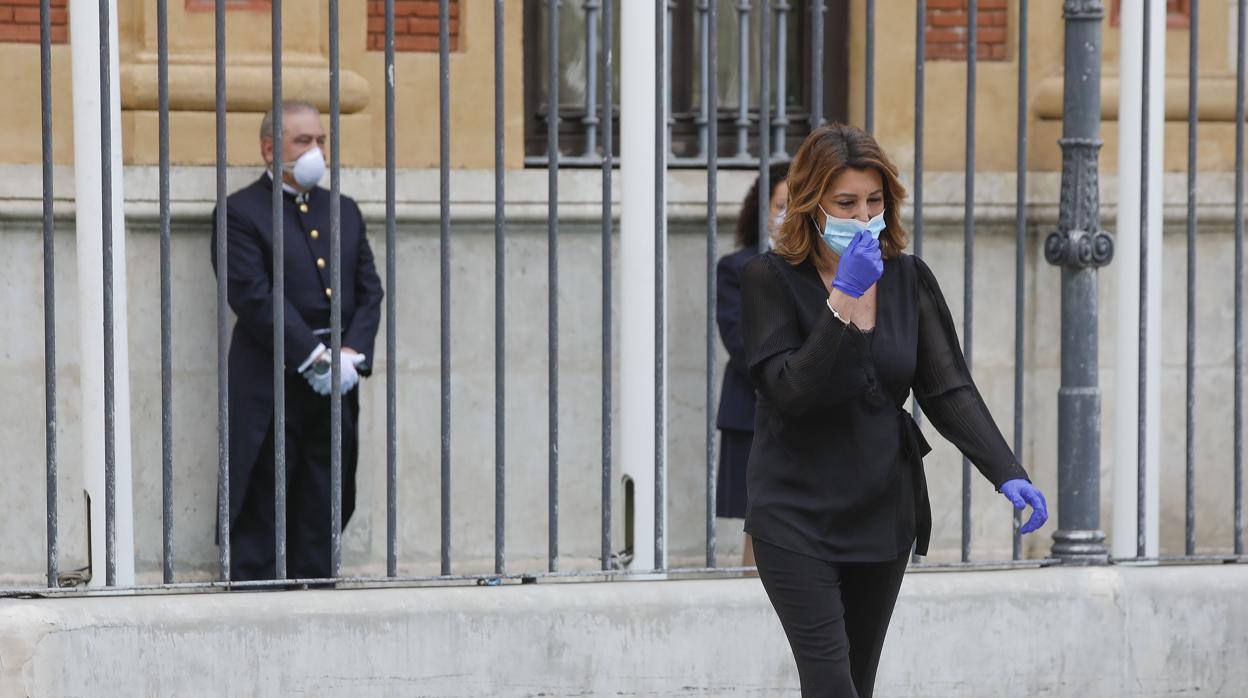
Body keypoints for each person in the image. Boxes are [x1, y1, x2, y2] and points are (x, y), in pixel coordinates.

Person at [740, 123, 1048, 697]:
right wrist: (840, 301)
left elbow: (947, 388)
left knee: (858, 680)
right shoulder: (769, 280)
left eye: (874, 201)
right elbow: (791, 390)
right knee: (830, 681)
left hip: (882, 512)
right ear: (810, 206)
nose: (863, 218)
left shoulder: (908, 279)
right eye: (846, 203)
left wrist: (1007, 472)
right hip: (795, 513)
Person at [210, 100, 384, 582]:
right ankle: (257, 594)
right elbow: (252, 293)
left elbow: (370, 290)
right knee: (265, 496)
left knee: (326, 494)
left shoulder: (343, 211)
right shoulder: (241, 212)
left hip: (339, 383)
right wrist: (312, 355)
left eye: (321, 140)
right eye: (302, 141)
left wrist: (352, 354)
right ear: (271, 149)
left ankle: (317, 585)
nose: (316, 151)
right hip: (273, 380)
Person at [716, 161, 789, 567]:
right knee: (758, 524)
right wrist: (788, 377)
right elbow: (737, 340)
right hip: (753, 407)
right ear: (762, 210)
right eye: (780, 205)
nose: (786, 215)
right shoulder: (736, 267)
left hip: (809, 409)